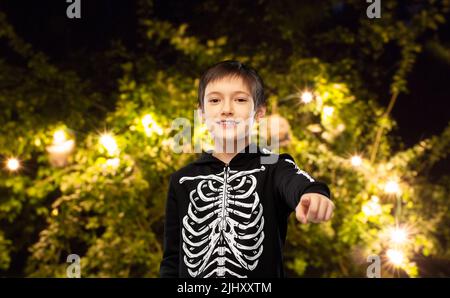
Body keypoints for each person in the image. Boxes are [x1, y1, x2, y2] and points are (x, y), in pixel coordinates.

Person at [159, 60, 334, 278]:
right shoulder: (182, 180)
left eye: (240, 100)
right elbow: (172, 259)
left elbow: (299, 183)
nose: (226, 110)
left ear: (259, 112)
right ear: (201, 113)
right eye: (214, 100)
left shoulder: (274, 168)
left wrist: (314, 193)